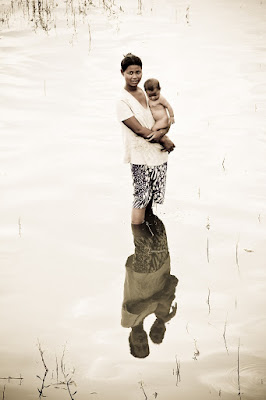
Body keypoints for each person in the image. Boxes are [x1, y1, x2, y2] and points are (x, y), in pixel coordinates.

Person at [116, 53, 175, 225]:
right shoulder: (122, 100)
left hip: (155, 152)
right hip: (139, 154)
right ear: (122, 73)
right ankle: (139, 237)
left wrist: (165, 131)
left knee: (153, 195)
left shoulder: (146, 92)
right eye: (130, 73)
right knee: (141, 195)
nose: (135, 77)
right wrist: (163, 140)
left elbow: (156, 118)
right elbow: (139, 129)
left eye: (138, 72)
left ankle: (150, 236)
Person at [121, 213, 178, 358]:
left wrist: (156, 299)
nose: (141, 342)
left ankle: (140, 197)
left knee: (142, 237)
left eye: (137, 345)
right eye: (144, 345)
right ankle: (148, 198)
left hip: (141, 272)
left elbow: (134, 308)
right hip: (161, 265)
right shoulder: (153, 312)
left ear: (130, 340)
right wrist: (162, 320)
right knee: (157, 226)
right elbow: (172, 282)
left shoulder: (128, 322)